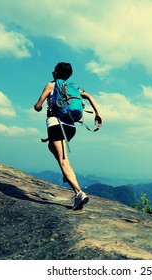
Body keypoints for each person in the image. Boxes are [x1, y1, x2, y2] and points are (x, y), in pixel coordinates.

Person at [34, 62, 103, 210]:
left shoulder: (51, 85)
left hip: (56, 125)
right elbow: (89, 96)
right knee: (51, 147)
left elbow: (37, 105)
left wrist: (39, 106)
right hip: (71, 127)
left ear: (55, 73)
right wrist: (98, 113)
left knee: (64, 161)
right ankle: (67, 174)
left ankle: (79, 194)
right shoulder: (73, 88)